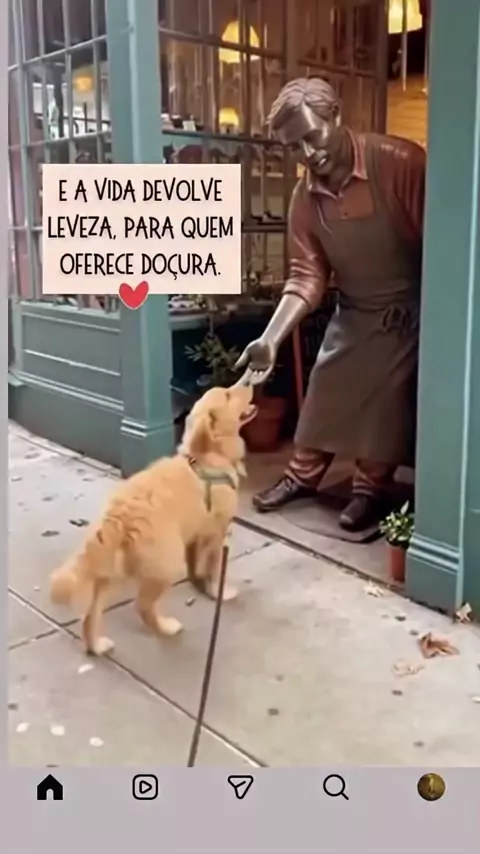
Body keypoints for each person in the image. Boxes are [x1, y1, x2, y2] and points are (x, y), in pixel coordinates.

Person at [236, 77, 426, 532]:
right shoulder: (304, 199)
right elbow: (306, 275)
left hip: (409, 312)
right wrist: (270, 339)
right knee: (325, 384)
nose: (307, 153)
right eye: (294, 146)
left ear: (336, 115)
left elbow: (440, 242)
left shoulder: (399, 163)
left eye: (312, 136)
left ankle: (368, 487)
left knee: (385, 398)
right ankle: (302, 475)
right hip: (355, 310)